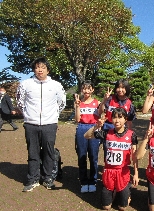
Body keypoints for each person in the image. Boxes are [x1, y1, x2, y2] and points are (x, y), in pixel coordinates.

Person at [16, 57, 66, 192]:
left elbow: (62, 102)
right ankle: (32, 179)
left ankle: (47, 178)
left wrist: (54, 115)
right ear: (34, 69)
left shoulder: (56, 85)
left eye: (43, 67)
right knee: (33, 152)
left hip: (49, 124)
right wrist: (27, 115)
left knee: (49, 152)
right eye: (37, 67)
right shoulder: (25, 84)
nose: (40, 70)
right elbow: (20, 102)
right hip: (31, 123)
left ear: (48, 70)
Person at [84, 107, 138, 210]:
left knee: (122, 207)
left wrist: (136, 173)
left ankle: (127, 191)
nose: (117, 120)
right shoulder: (107, 133)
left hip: (122, 172)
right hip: (109, 171)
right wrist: (97, 126)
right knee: (106, 206)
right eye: (114, 117)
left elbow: (135, 157)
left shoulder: (131, 135)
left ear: (125, 119)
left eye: (120, 117)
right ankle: (113, 191)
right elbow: (86, 136)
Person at [74, 81, 101, 193]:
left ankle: (93, 180)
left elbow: (101, 115)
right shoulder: (78, 102)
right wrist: (77, 106)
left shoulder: (97, 102)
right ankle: (84, 181)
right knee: (82, 156)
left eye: (89, 88)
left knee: (93, 156)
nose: (86, 91)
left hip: (94, 128)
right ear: (81, 90)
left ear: (92, 90)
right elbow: (77, 119)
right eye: (84, 89)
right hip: (81, 127)